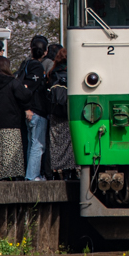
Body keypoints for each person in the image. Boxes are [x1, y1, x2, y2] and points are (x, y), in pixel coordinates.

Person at [15, 35, 50, 181]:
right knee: (38, 145)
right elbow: (28, 89)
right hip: (36, 110)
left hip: (29, 111)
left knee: (32, 143)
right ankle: (32, 175)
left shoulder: (25, 64)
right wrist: (28, 108)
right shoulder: (37, 67)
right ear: (46, 52)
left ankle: (30, 174)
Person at [0, 57, 24, 180]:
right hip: (11, 120)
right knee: (11, 149)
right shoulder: (13, 82)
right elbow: (25, 95)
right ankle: (13, 174)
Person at [46, 47, 74, 177]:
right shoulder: (74, 71)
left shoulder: (52, 72)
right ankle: (70, 170)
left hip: (55, 111)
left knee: (56, 142)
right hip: (69, 110)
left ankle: (56, 170)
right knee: (69, 142)